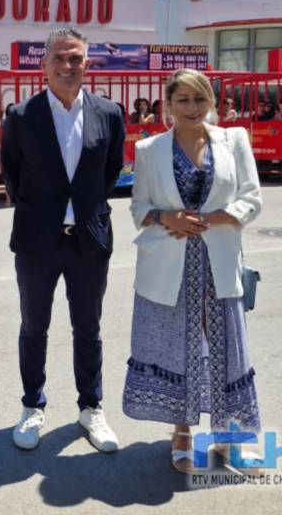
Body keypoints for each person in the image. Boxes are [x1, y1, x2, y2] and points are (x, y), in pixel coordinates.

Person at [124, 68, 263, 473]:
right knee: (177, 349)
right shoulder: (149, 149)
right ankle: (182, 432)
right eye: (182, 99)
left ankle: (228, 440)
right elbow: (138, 207)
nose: (191, 107)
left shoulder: (234, 140)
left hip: (219, 261)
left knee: (225, 351)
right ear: (168, 104)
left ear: (211, 101)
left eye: (199, 98)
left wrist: (216, 217)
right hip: (168, 265)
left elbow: (252, 198)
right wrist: (165, 216)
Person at [1, 28, 125, 454]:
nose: (67, 65)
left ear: (87, 65)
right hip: (38, 241)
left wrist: (82, 208)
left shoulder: (109, 112)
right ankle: (32, 406)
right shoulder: (21, 115)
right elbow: (12, 173)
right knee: (34, 328)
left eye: (75, 58)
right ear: (44, 65)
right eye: (58, 58)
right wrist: (45, 211)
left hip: (88, 240)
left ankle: (91, 407)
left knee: (88, 329)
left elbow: (110, 172)